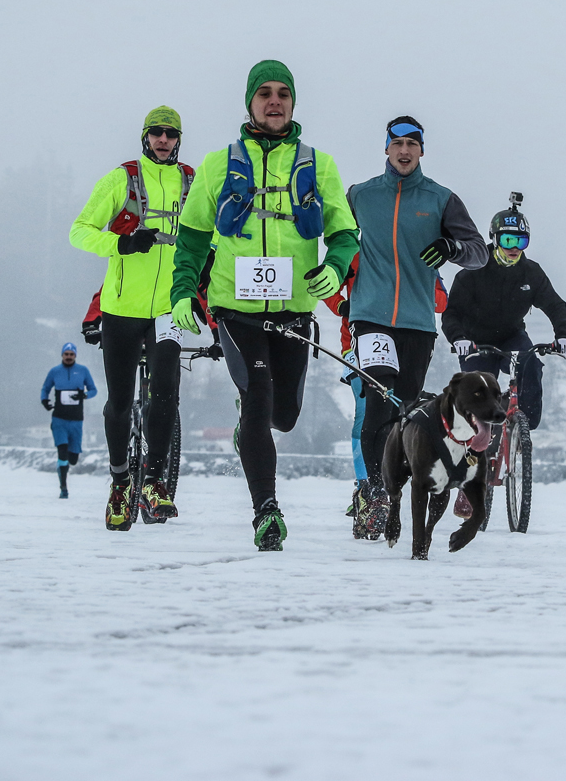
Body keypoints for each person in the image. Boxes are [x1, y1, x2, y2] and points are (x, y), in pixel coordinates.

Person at [170, 60, 359, 551]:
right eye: (264, 94)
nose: (274, 102)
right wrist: (182, 291)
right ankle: (266, 513)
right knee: (257, 393)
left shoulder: (320, 164)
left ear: (293, 102)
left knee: (286, 414)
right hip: (235, 308)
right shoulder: (218, 163)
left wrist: (336, 268)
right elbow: (190, 239)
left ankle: (247, 426)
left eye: (283, 94)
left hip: (294, 309)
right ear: (250, 102)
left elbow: (343, 233)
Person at [346, 115, 488, 538]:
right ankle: (372, 497)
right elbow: (327, 229)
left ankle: (390, 494)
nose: (404, 150)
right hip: (369, 317)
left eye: (413, 143)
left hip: (417, 322)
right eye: (397, 143)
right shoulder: (360, 195)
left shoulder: (441, 199)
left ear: (422, 151)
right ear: (385, 149)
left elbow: (479, 253)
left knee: (402, 415)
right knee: (378, 400)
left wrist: (452, 246)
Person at [70, 106, 194, 529]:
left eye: (171, 134)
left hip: (169, 309)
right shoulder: (122, 178)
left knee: (166, 394)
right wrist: (121, 243)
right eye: (157, 133)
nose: (164, 140)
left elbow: (215, 242)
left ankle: (153, 481)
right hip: (121, 309)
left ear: (179, 139)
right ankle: (121, 482)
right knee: (121, 402)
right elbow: (80, 230)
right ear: (145, 137)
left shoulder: (192, 182)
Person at [323, 253, 449, 533]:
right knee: (368, 411)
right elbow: (326, 285)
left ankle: (382, 487)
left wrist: (416, 290)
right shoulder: (357, 252)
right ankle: (369, 488)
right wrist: (344, 305)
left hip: (411, 337)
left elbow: (441, 300)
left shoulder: (417, 250)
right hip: (359, 342)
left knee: (396, 415)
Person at [441, 193, 566, 430]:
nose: (514, 249)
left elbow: (555, 305)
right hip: (475, 341)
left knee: (530, 365)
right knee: (477, 392)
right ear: (494, 239)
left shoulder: (531, 273)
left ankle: (523, 425)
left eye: (520, 242)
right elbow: (451, 314)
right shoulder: (474, 270)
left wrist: (564, 334)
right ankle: (477, 439)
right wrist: (459, 338)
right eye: (508, 241)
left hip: (511, 336)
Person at [40, 342, 97, 498]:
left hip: (77, 420)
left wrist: (84, 395)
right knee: (62, 451)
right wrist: (44, 401)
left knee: (73, 459)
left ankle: (65, 469)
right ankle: (63, 487)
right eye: (66, 354)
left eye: (71, 354)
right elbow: (45, 388)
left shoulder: (83, 371)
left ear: (75, 356)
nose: (69, 357)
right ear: (62, 355)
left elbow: (93, 390)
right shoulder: (55, 372)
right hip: (59, 419)